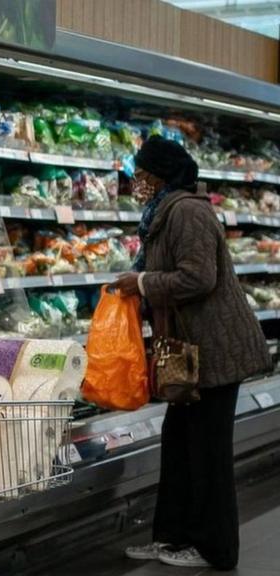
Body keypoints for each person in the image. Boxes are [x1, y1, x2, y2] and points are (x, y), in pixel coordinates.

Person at [113, 136, 271, 570]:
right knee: (179, 444)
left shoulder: (188, 210)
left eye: (143, 176)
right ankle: (171, 537)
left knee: (208, 453)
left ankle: (214, 549)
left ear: (162, 176)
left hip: (214, 351)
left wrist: (142, 284)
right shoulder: (163, 212)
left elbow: (199, 278)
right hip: (184, 351)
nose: (137, 184)